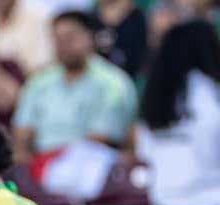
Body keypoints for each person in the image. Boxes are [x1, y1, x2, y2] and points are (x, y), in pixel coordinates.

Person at [11, 10, 137, 165]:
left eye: (70, 38)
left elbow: (100, 141)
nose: (63, 46)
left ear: (90, 38)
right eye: (57, 40)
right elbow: (22, 134)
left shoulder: (112, 84)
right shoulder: (39, 82)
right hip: (39, 166)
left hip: (91, 167)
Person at [135, 20, 220, 205]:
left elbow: (144, 152)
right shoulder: (210, 93)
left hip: (164, 203)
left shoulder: (153, 97)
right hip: (211, 202)